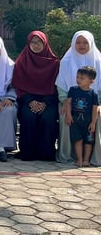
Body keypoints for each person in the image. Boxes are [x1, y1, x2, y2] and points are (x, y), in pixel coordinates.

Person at [12, 30, 60, 161]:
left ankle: (47, 153)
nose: (36, 45)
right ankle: (28, 153)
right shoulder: (22, 62)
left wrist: (45, 102)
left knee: (48, 118)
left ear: (45, 43)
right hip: (27, 99)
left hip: (48, 100)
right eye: (33, 42)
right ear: (28, 44)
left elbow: (57, 86)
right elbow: (18, 85)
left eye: (39, 42)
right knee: (28, 116)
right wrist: (30, 101)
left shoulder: (54, 63)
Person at [57, 31, 101, 163]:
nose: (81, 45)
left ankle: (93, 157)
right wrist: (65, 101)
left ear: (91, 43)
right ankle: (68, 155)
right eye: (78, 42)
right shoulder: (66, 62)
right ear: (73, 44)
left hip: (94, 102)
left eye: (85, 42)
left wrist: (99, 104)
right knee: (65, 115)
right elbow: (61, 86)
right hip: (69, 101)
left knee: (98, 116)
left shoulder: (98, 61)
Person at [64, 66, 99, 167]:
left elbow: (95, 109)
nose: (78, 80)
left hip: (88, 122)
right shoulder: (73, 90)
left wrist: (93, 123)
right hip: (75, 121)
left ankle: (86, 160)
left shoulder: (93, 94)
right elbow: (68, 103)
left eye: (82, 78)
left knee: (88, 141)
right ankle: (79, 159)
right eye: (77, 77)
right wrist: (69, 115)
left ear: (91, 81)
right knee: (78, 140)